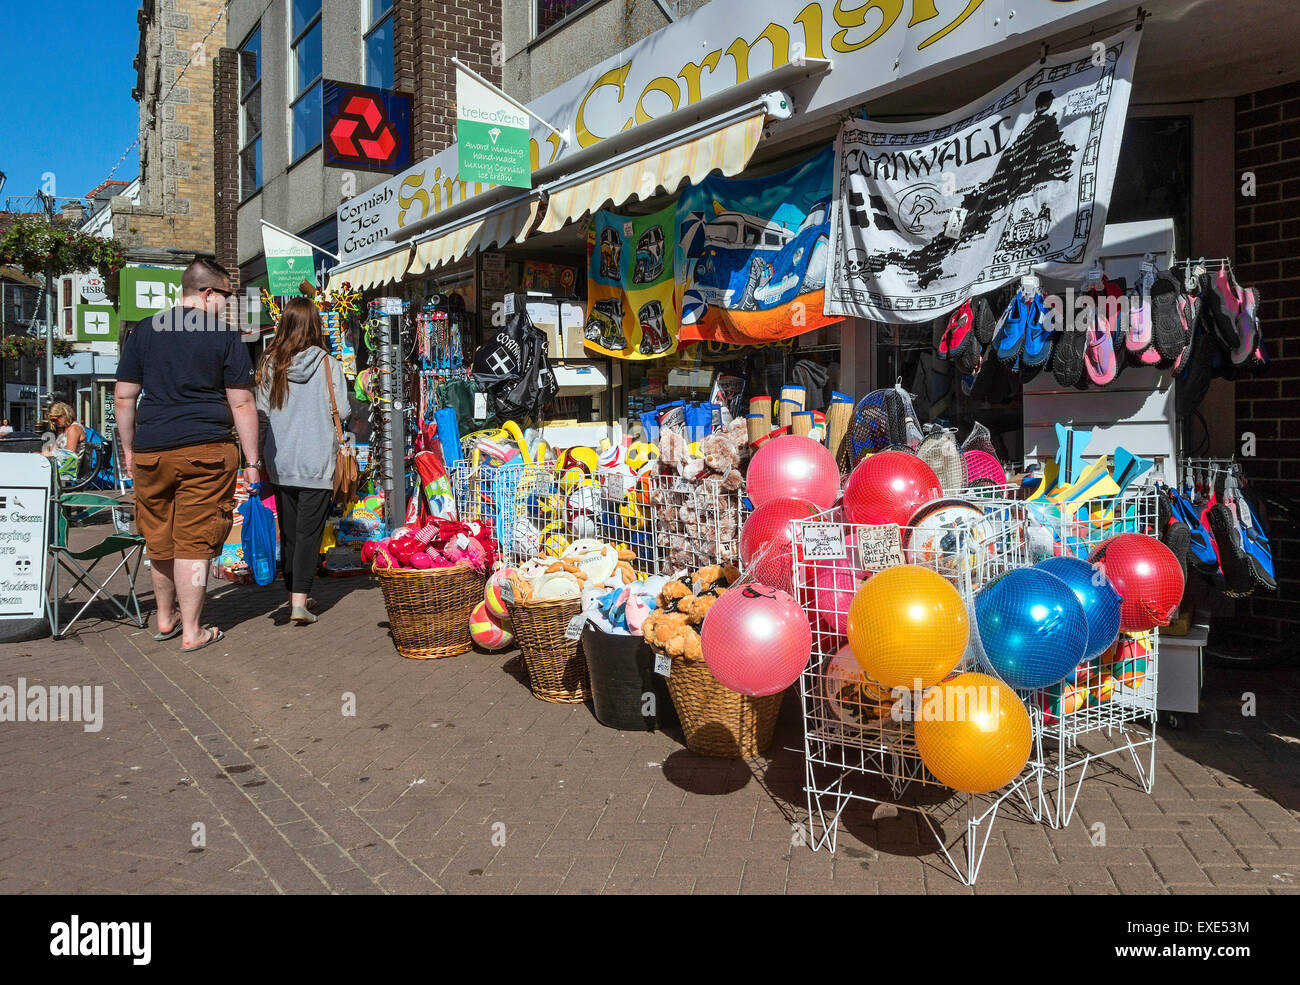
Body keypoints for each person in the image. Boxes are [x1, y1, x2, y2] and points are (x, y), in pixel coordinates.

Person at [114, 257, 261, 652]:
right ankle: (192, 631)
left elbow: (124, 396)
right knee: (194, 540)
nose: (228, 305)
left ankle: (165, 618)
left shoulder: (143, 331)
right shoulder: (225, 335)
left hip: (151, 451)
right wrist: (252, 462)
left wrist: (129, 450)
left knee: (159, 538)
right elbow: (242, 403)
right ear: (208, 292)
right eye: (226, 296)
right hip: (205, 449)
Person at [254, 298, 349, 625]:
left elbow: (261, 412)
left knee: (291, 533)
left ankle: (293, 595)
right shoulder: (329, 365)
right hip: (317, 462)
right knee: (309, 535)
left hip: (281, 461)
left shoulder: (270, 364)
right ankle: (299, 603)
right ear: (314, 326)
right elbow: (344, 412)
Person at [46, 402, 86, 483]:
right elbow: (53, 451)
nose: (53, 423)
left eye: (54, 420)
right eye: (51, 420)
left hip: (68, 469)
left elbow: (68, 456)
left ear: (64, 415)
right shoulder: (63, 429)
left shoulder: (73, 429)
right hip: (60, 464)